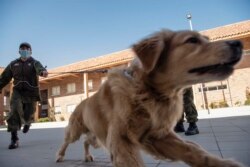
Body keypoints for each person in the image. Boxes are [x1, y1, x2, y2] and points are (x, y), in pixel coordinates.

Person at [0, 42, 48, 149]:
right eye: (22, 48)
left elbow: (40, 69)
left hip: (31, 92)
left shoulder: (34, 62)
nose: (24, 50)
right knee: (14, 113)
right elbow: (4, 78)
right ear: (19, 51)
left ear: (30, 51)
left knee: (28, 114)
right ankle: (14, 139)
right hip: (18, 92)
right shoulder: (13, 64)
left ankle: (28, 122)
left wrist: (43, 72)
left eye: (27, 48)